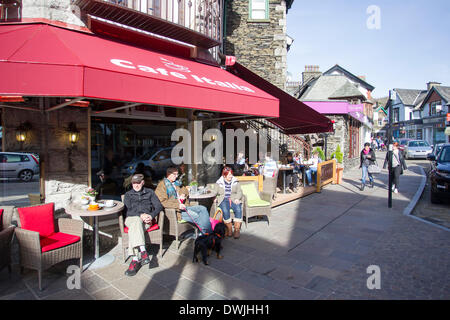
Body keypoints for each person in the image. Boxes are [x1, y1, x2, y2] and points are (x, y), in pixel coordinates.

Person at [123, 174, 163, 276]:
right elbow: (128, 211)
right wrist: (141, 215)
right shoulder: (128, 195)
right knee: (136, 221)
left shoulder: (150, 192)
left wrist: (151, 215)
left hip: (146, 221)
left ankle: (135, 259)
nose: (136, 185)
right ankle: (143, 250)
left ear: (143, 182)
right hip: (131, 219)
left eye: (138, 183)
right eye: (134, 183)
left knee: (135, 228)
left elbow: (159, 206)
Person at [155, 167, 212, 235]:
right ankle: (206, 234)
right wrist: (178, 205)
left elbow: (185, 191)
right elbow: (162, 202)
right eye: (174, 174)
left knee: (203, 208)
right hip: (176, 211)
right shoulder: (162, 185)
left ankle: (208, 233)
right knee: (196, 215)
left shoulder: (176, 183)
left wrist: (183, 195)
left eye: (177, 174)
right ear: (168, 174)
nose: (176, 176)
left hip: (184, 206)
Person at [213, 166, 243, 239]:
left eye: (231, 174)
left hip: (233, 198)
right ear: (224, 175)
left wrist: (237, 198)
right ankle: (229, 229)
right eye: (229, 175)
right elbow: (214, 192)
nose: (231, 176)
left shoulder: (235, 181)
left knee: (238, 209)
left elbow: (240, 192)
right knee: (225, 211)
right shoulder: (219, 182)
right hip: (223, 199)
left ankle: (236, 230)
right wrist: (215, 197)